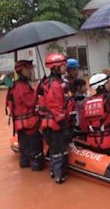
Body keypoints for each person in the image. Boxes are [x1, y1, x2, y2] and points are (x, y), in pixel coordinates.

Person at [37, 53, 69, 184]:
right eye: (63, 65)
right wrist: (64, 125)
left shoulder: (47, 82)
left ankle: (54, 172)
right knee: (58, 150)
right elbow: (56, 107)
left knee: (56, 150)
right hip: (55, 124)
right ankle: (58, 176)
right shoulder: (55, 85)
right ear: (56, 67)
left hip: (48, 123)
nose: (65, 67)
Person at [6, 60, 43, 171]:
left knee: (25, 152)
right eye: (28, 69)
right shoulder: (22, 87)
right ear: (22, 70)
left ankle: (26, 167)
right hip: (29, 125)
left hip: (21, 125)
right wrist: (38, 90)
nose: (31, 71)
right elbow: (31, 102)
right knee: (35, 152)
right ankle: (36, 170)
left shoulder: (17, 85)